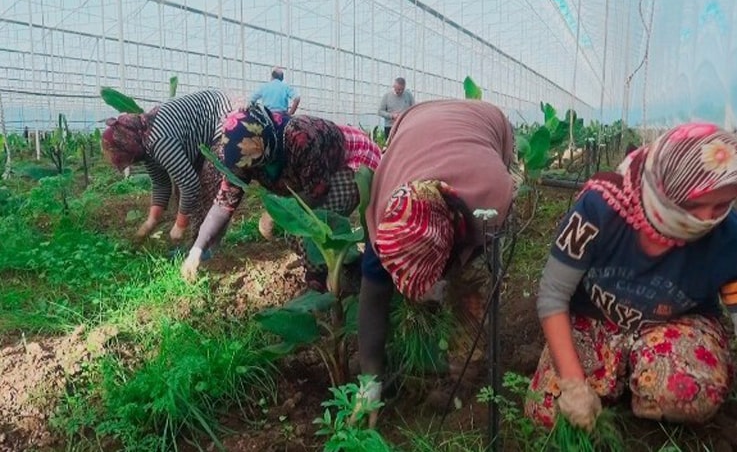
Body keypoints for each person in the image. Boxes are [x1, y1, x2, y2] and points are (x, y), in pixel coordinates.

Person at [525, 123, 737, 432]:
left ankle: (641, 388)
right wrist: (573, 384)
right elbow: (553, 294)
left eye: (721, 204)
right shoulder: (600, 209)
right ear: (663, 187)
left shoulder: (728, 236)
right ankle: (614, 378)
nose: (705, 219)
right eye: (692, 204)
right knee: (546, 411)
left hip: (675, 326)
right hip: (595, 320)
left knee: (690, 394)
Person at [357, 99, 517, 425]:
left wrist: (457, 275)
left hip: (486, 123)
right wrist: (368, 382)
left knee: (469, 288)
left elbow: (474, 257)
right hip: (415, 123)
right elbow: (372, 298)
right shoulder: (385, 221)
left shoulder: (493, 196)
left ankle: (463, 371)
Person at [180, 103, 382, 289]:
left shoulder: (301, 137)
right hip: (315, 176)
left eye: (254, 163)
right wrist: (197, 250)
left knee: (309, 231)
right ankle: (350, 265)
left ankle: (319, 287)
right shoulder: (246, 155)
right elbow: (224, 203)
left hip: (352, 161)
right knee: (292, 235)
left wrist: (275, 213)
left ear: (264, 143)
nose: (249, 170)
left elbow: (317, 191)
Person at [102, 89, 232, 244]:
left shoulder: (159, 142)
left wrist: (179, 226)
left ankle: (207, 249)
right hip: (199, 136)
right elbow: (160, 184)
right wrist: (149, 223)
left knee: (209, 187)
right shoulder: (143, 139)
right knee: (188, 192)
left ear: (128, 145)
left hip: (221, 120)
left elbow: (190, 185)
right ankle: (196, 243)